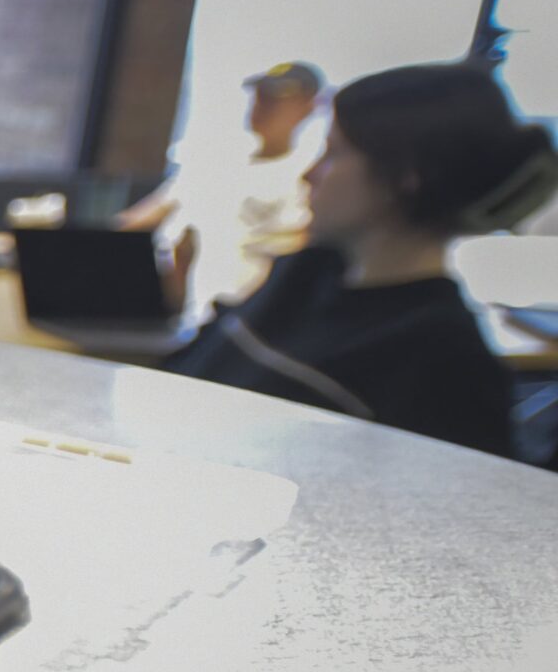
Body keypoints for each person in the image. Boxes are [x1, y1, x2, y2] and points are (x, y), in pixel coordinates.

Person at [163, 62, 558, 457]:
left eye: (333, 153)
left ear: (405, 177)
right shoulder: (304, 272)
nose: (309, 175)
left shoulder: (441, 357)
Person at [121, 62, 327, 290]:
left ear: (309, 106)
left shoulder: (308, 178)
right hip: (185, 304)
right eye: (260, 93)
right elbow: (147, 215)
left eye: (276, 97)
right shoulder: (217, 162)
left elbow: (302, 252)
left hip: (248, 306)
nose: (261, 103)